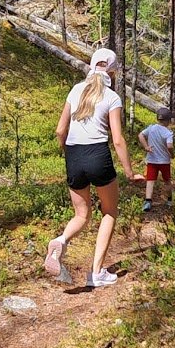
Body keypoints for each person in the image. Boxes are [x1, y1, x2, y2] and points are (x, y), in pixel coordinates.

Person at [45, 48, 136, 288]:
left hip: (74, 155)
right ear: (113, 72)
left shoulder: (76, 90)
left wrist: (68, 153)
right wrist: (129, 171)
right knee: (109, 212)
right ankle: (96, 273)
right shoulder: (111, 97)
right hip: (97, 153)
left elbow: (59, 130)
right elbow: (117, 139)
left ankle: (61, 241)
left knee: (81, 215)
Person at [139, 115, 175, 211]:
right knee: (167, 181)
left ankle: (148, 201)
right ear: (168, 120)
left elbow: (140, 135)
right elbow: (170, 146)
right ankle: (169, 200)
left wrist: (146, 147)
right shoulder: (168, 133)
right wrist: (172, 154)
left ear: (158, 119)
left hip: (152, 159)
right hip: (164, 161)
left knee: (150, 181)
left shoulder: (151, 128)